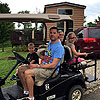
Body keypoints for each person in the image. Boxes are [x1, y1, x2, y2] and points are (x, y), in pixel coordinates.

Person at [18, 27, 65, 100]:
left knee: (27, 73)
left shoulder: (59, 48)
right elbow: (48, 56)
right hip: (44, 66)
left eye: (54, 33)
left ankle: (31, 97)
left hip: (52, 70)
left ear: (58, 34)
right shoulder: (50, 43)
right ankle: (26, 91)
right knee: (20, 69)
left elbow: (53, 65)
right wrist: (42, 53)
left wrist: (38, 65)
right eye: (51, 32)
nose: (52, 34)